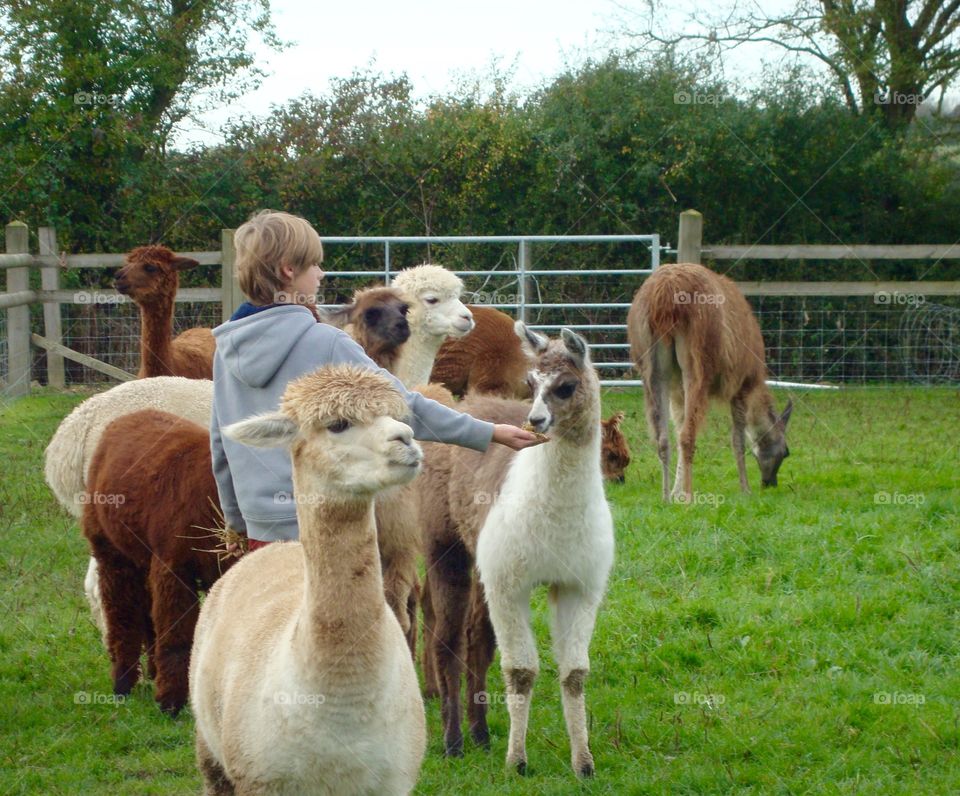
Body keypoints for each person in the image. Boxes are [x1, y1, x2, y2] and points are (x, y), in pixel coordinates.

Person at [211, 209, 541, 549]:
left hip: (259, 531)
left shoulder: (224, 351)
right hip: (324, 522)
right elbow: (403, 405)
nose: (321, 274)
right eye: (314, 265)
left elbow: (221, 443)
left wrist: (235, 521)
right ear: (288, 270)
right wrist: (487, 431)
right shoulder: (327, 343)